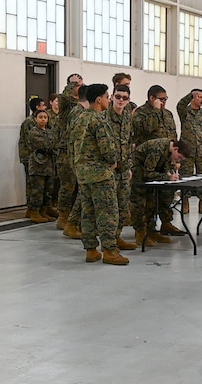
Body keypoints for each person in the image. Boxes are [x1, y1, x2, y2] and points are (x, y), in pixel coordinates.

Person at [71, 83, 128, 265]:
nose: (109, 100)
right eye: (106, 97)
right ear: (98, 99)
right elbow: (108, 151)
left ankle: (90, 250)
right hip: (100, 175)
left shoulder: (78, 118)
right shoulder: (99, 120)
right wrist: (114, 160)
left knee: (87, 212)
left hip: (83, 174)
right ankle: (110, 250)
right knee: (108, 212)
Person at [131, 85, 181, 235]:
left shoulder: (168, 114)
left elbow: (173, 135)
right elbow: (146, 128)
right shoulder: (141, 113)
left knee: (166, 194)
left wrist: (176, 157)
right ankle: (147, 230)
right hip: (147, 162)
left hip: (165, 161)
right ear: (152, 98)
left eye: (166, 99)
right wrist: (155, 111)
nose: (164, 102)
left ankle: (166, 223)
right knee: (148, 199)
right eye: (162, 99)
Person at [130, 139, 192, 247]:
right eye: (180, 157)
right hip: (138, 172)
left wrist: (170, 174)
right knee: (139, 204)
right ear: (176, 149)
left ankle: (151, 232)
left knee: (152, 202)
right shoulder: (157, 149)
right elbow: (148, 173)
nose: (179, 160)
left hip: (149, 175)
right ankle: (140, 233)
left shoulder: (169, 150)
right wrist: (167, 177)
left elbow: (163, 167)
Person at [106, 84, 137, 250]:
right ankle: (108, 242)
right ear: (111, 97)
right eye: (118, 97)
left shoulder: (127, 117)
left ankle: (117, 237)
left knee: (122, 206)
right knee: (109, 208)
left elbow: (129, 142)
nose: (120, 100)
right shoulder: (104, 117)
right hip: (108, 169)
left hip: (124, 169)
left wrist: (129, 166)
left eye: (124, 98)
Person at [177, 88, 202, 214]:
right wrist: (189, 95)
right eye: (199, 97)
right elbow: (180, 105)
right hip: (187, 152)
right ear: (193, 98)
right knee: (186, 177)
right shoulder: (185, 112)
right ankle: (185, 203)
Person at [56, 74, 84, 231]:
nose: (79, 87)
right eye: (76, 84)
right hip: (66, 151)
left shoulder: (81, 103)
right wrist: (72, 85)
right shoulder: (65, 101)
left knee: (78, 187)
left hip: (77, 149)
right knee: (67, 186)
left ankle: (75, 218)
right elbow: (66, 96)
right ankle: (63, 216)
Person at [25, 109, 58, 223]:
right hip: (38, 166)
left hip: (49, 166)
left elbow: (55, 143)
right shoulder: (34, 132)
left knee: (47, 191)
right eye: (40, 117)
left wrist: (52, 144)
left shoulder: (49, 132)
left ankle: (43, 211)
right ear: (35, 119)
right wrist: (52, 145)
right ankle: (34, 212)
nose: (43, 119)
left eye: (45, 117)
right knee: (37, 191)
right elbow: (45, 145)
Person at [18, 97, 47, 218]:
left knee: (38, 185)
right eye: (43, 105)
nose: (45, 108)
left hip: (36, 157)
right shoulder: (30, 123)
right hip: (30, 157)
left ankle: (38, 210)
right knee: (33, 185)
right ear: (37, 107)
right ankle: (32, 209)